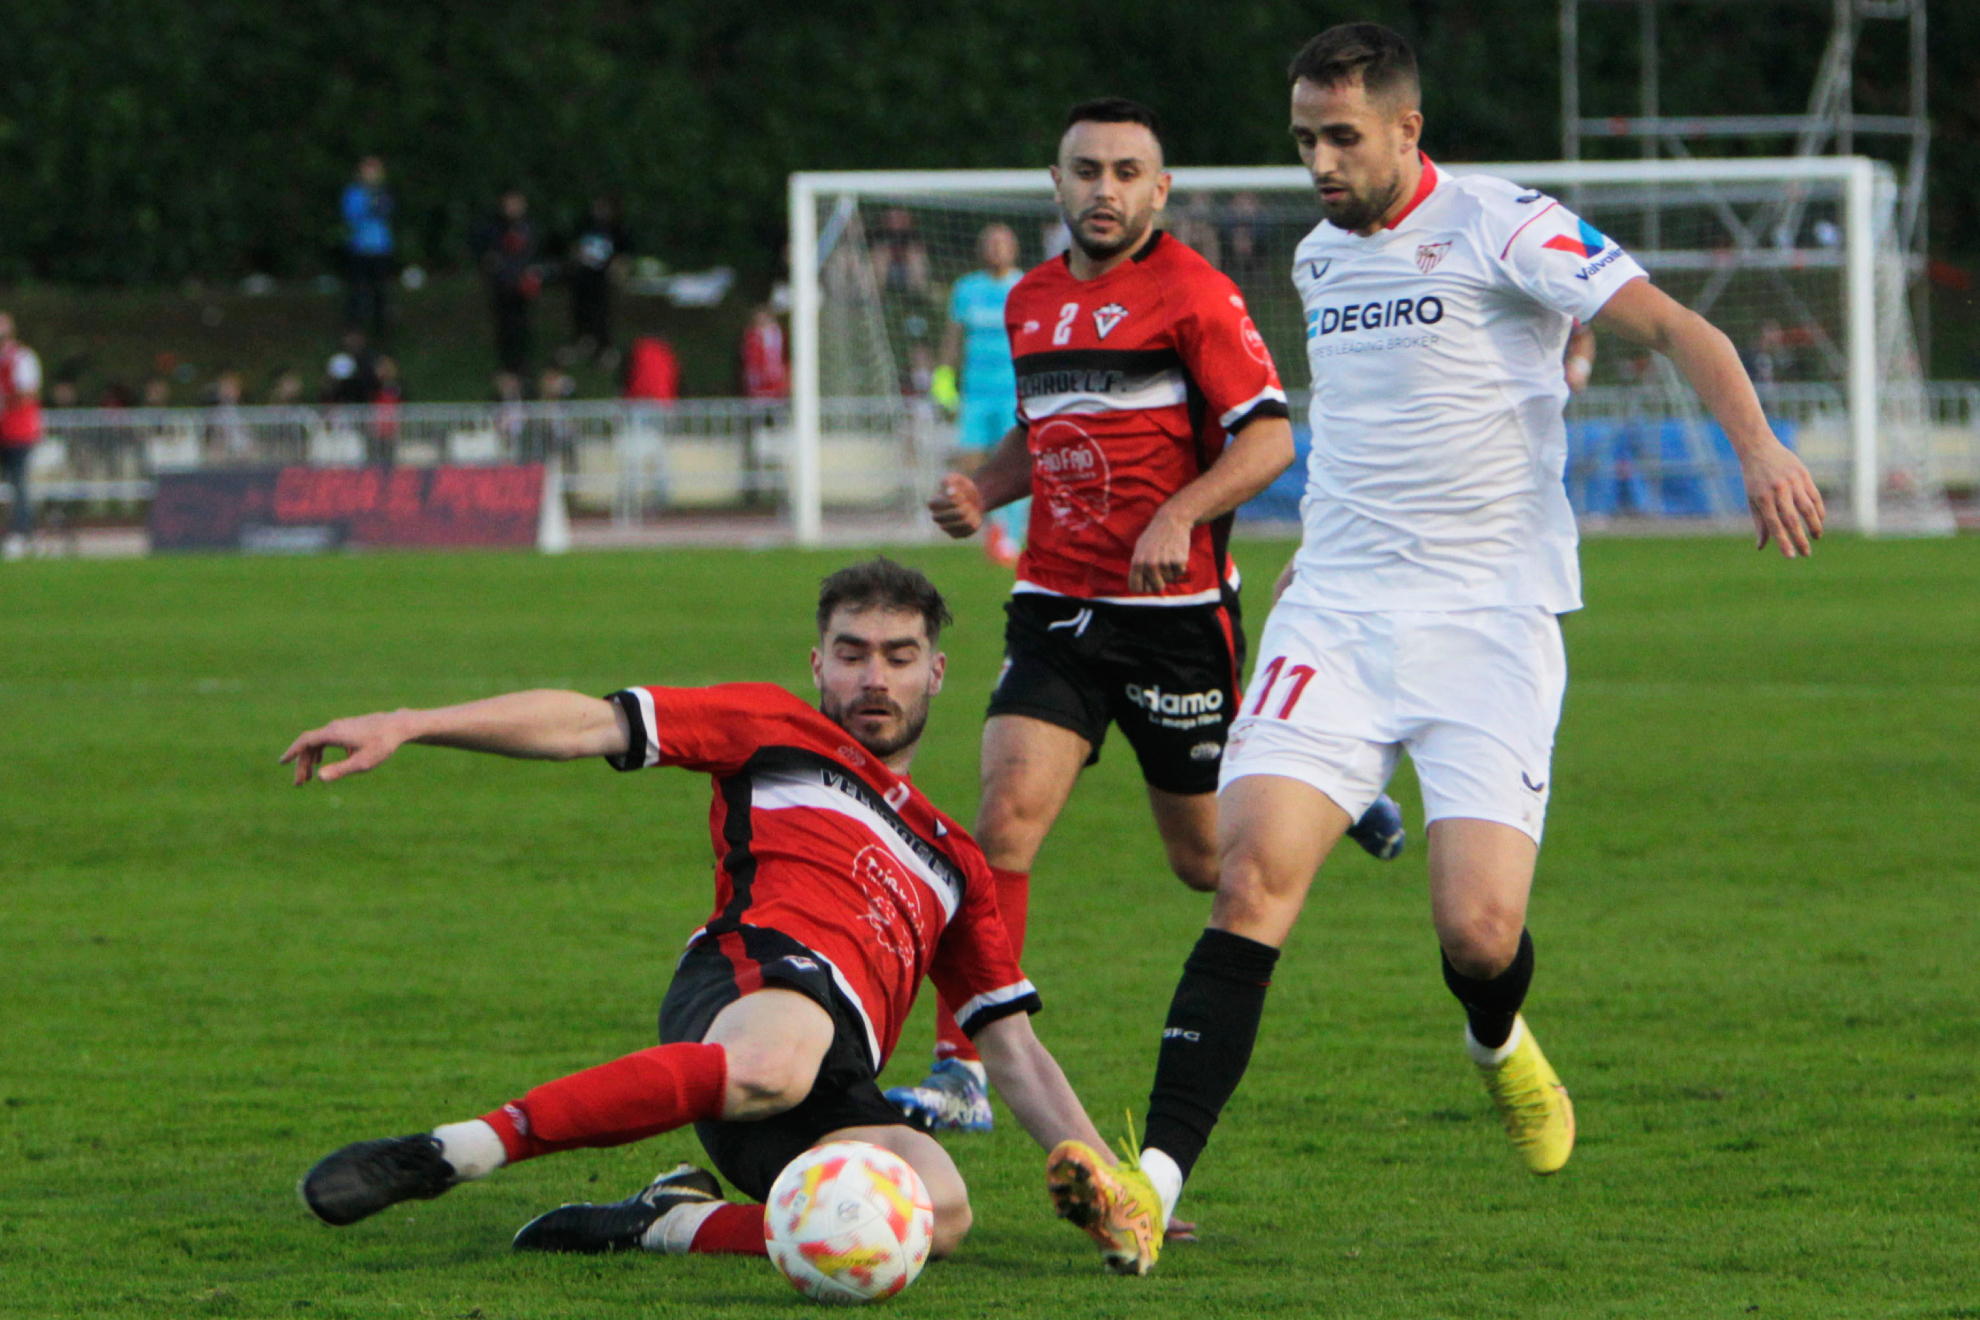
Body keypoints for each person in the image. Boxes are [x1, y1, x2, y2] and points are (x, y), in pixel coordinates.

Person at [1047, 25, 1827, 1277]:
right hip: (1341, 617)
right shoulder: (1315, 258)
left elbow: (1681, 329)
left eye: (1342, 137)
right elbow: (1361, 423)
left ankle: (1494, 1039)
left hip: (1490, 624)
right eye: (1304, 138)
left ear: (1409, 130)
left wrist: (1760, 447)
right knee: (1250, 882)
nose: (1319, 162)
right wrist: (1317, 558)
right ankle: (1148, 1186)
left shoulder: (1506, 224)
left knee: (1476, 931)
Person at [285, 559, 1126, 1265]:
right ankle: (457, 1149)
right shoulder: (777, 727)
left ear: (934, 672)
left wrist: (1109, 1182)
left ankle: (671, 1222)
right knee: (782, 1058)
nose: (876, 677)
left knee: (934, 1210)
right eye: (853, 653)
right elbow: (588, 722)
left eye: (900, 656)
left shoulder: (956, 860)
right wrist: (412, 722)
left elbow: (1011, 1046)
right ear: (818, 665)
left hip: (833, 1086)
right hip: (751, 983)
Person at [905, 98, 1406, 1139]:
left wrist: (1181, 512)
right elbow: (1038, 441)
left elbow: (1268, 440)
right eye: (1086, 170)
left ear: (1158, 190)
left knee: (1203, 863)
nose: (1104, 189)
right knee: (1002, 820)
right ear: (1058, 183)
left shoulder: (1195, 294)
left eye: (1127, 172)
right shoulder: (1030, 300)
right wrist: (978, 491)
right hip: (1057, 602)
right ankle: (964, 1069)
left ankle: (1331, 784)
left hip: (1176, 617)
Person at [932, 223, 1027, 566]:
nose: (997, 249)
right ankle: (991, 525)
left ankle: (1010, 534)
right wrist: (943, 379)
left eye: (1003, 243)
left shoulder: (1024, 286)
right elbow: (953, 338)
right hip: (975, 392)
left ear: (1014, 249)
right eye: (991, 243)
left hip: (1013, 393)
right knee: (970, 462)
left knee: (1014, 462)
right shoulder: (966, 289)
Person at [473, 189, 542, 376]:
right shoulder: (494, 227)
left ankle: (522, 365)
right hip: (501, 284)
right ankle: (506, 365)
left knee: (521, 325)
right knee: (504, 326)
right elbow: (484, 251)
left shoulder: (528, 227)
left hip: (521, 284)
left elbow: (533, 253)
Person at [566, 194, 630, 363]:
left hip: (602, 276)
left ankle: (604, 346)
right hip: (584, 274)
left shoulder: (616, 229)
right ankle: (583, 340)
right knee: (580, 308)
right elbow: (575, 248)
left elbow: (623, 254)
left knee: (601, 311)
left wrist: (617, 269)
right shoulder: (584, 225)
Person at [0, 311, 43, 559]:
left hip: (18, 431)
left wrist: (6, 401)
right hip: (6, 429)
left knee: (19, 483)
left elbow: (28, 392)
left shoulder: (21, 357)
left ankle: (22, 533)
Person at [341, 156, 395, 344]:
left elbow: (385, 210)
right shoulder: (353, 193)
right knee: (357, 291)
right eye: (367, 170)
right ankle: (354, 332)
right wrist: (370, 204)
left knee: (380, 291)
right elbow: (353, 214)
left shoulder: (383, 192)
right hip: (360, 249)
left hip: (380, 249)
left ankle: (381, 332)